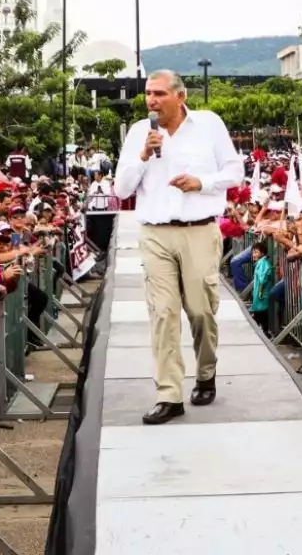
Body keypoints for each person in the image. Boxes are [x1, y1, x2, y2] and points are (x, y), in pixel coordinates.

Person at [113, 70, 243, 425]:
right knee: (164, 314)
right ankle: (168, 394)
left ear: (180, 96)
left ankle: (206, 372)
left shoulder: (209, 125)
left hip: (200, 229)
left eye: (158, 93)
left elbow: (235, 172)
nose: (151, 100)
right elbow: (122, 190)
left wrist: (202, 183)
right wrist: (142, 155)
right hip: (155, 233)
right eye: (147, 94)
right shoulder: (141, 133)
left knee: (201, 310)